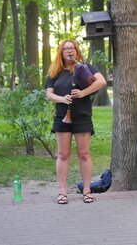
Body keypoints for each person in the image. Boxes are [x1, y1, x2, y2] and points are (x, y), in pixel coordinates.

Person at [45, 39, 107, 204]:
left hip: (82, 116)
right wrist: (62, 99)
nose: (70, 51)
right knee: (63, 154)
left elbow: (101, 82)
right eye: (66, 49)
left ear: (77, 51)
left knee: (84, 154)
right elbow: (49, 95)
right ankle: (63, 192)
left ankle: (87, 191)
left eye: (72, 48)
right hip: (62, 117)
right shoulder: (55, 71)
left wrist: (83, 93)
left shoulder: (85, 67)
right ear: (61, 52)